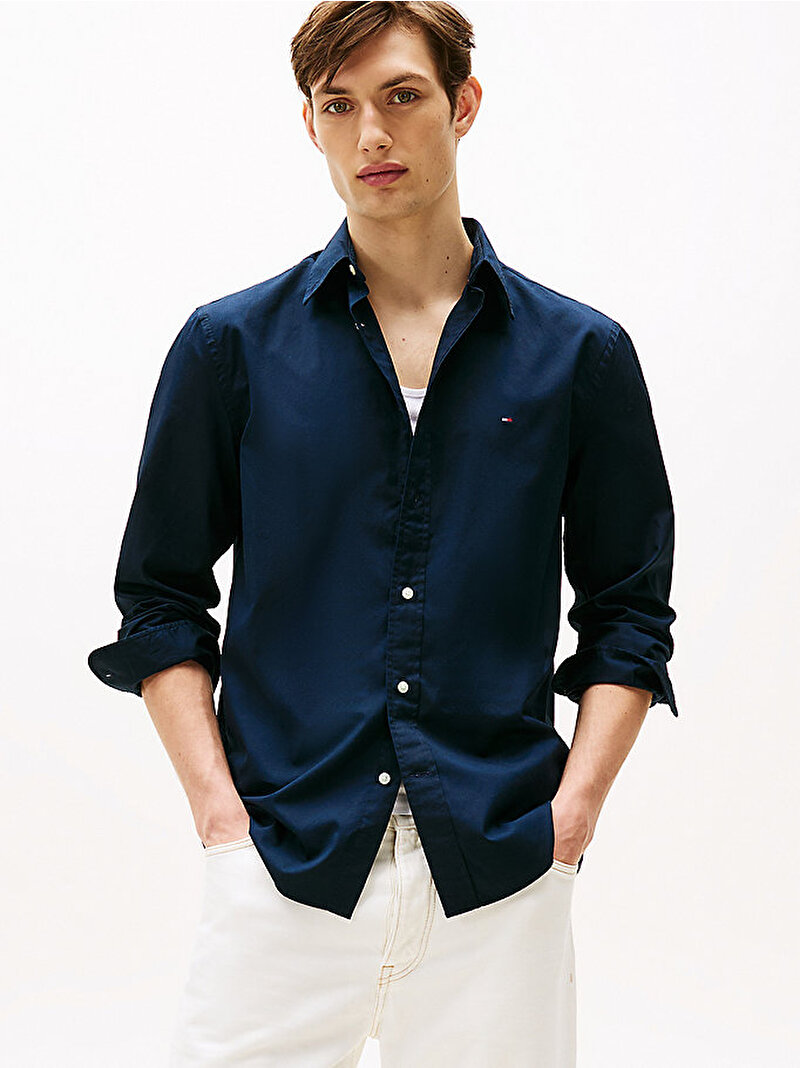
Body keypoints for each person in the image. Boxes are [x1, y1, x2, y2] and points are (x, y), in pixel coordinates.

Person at [88, 2, 679, 1064]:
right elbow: (160, 598)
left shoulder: (577, 356)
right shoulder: (229, 348)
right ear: (308, 123)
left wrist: (572, 819)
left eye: (402, 96)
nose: (371, 133)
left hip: (498, 875)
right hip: (283, 866)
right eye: (338, 104)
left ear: (463, 104)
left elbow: (627, 613)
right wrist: (221, 821)